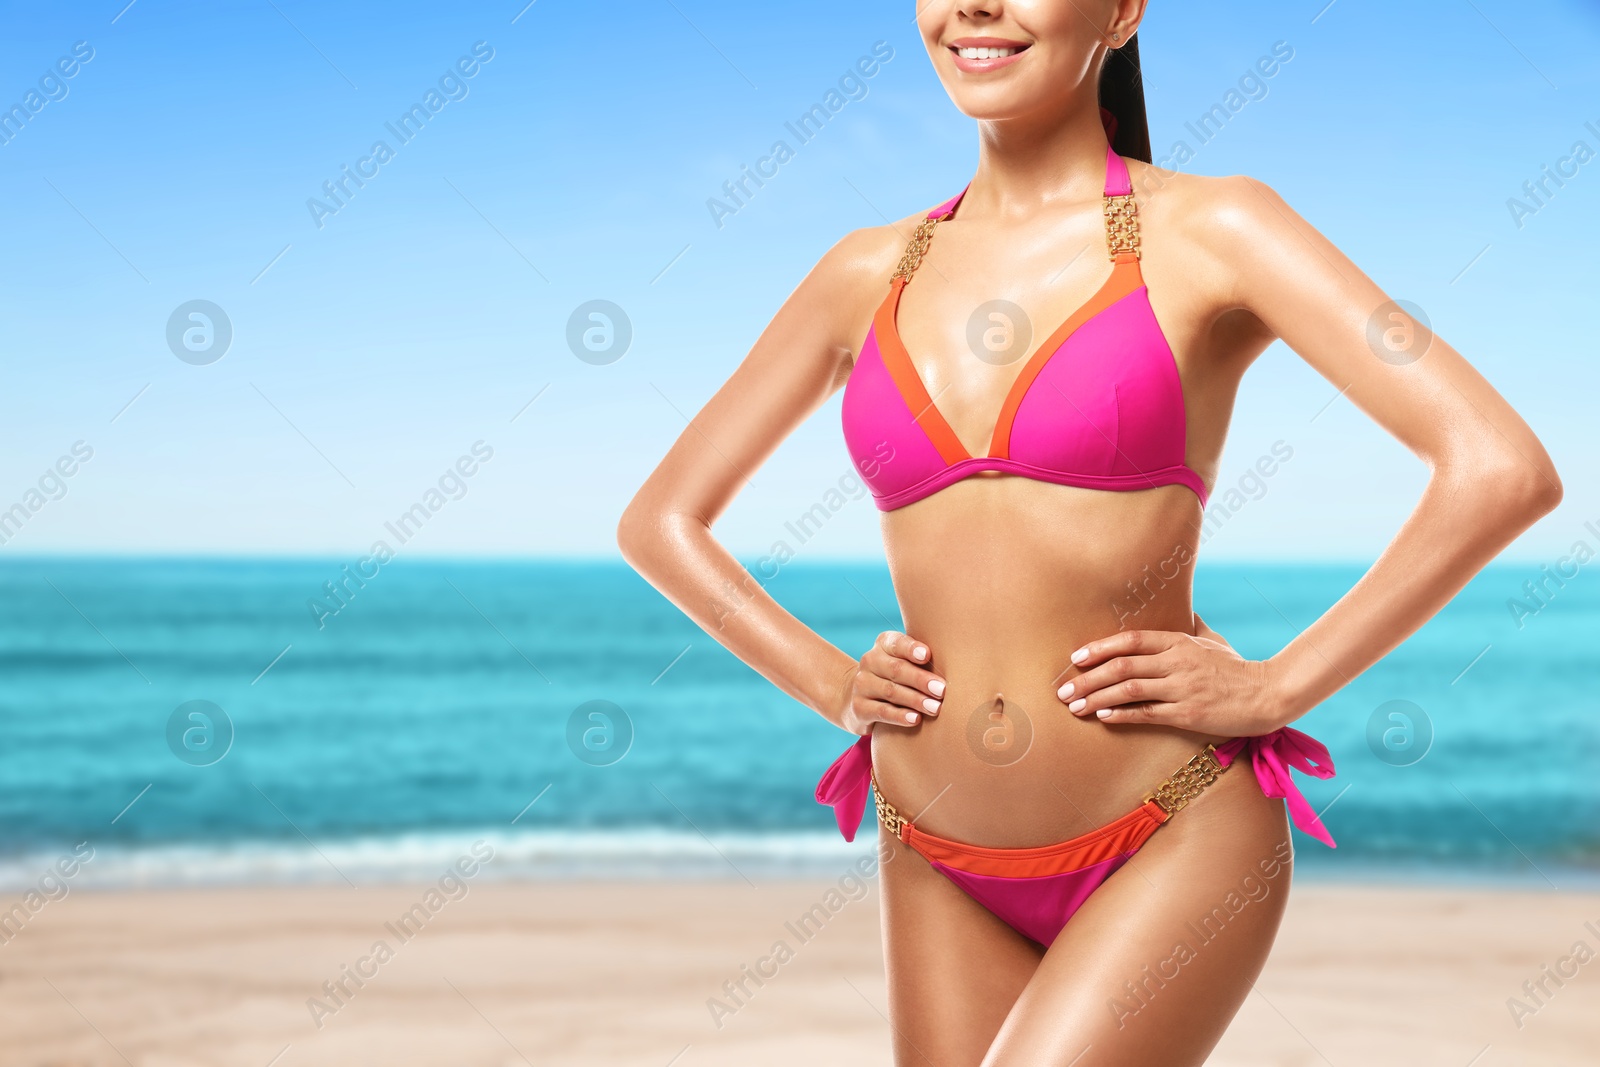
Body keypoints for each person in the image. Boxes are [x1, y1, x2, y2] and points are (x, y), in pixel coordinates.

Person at [617, 3, 1562, 1063]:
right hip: (931, 846)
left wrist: (1280, 685)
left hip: (1171, 824)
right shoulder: (864, 272)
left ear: (1119, 10)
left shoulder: (1216, 229)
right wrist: (830, 682)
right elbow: (661, 520)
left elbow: (1497, 467)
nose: (975, 5)